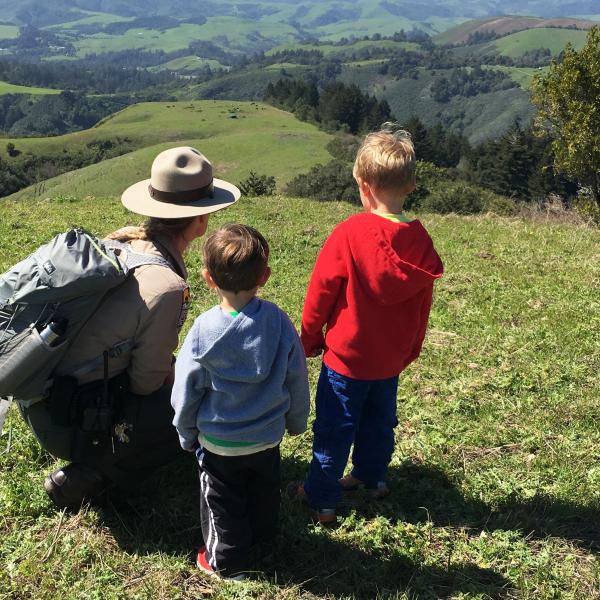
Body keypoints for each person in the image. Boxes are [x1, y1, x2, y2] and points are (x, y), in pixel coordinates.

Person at [19, 146, 241, 508]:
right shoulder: (167, 286)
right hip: (71, 420)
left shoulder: (116, 245)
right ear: (200, 221)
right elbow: (146, 382)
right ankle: (96, 473)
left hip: (41, 398)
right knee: (196, 404)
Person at [289, 126, 444, 524]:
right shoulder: (420, 241)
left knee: (334, 428)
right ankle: (372, 478)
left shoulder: (349, 233)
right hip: (390, 358)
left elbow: (321, 293)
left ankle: (322, 499)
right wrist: (412, 346)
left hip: (346, 360)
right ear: (410, 184)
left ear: (363, 184)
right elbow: (421, 304)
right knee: (379, 421)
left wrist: (309, 338)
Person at [171, 224, 310, 580]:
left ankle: (226, 563)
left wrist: (185, 432)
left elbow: (186, 388)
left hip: (219, 445)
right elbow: (297, 376)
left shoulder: (202, 331)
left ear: (207, 278)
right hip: (267, 436)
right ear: (264, 276)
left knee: (221, 502)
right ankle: (263, 535)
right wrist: (296, 421)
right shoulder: (278, 323)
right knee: (263, 490)